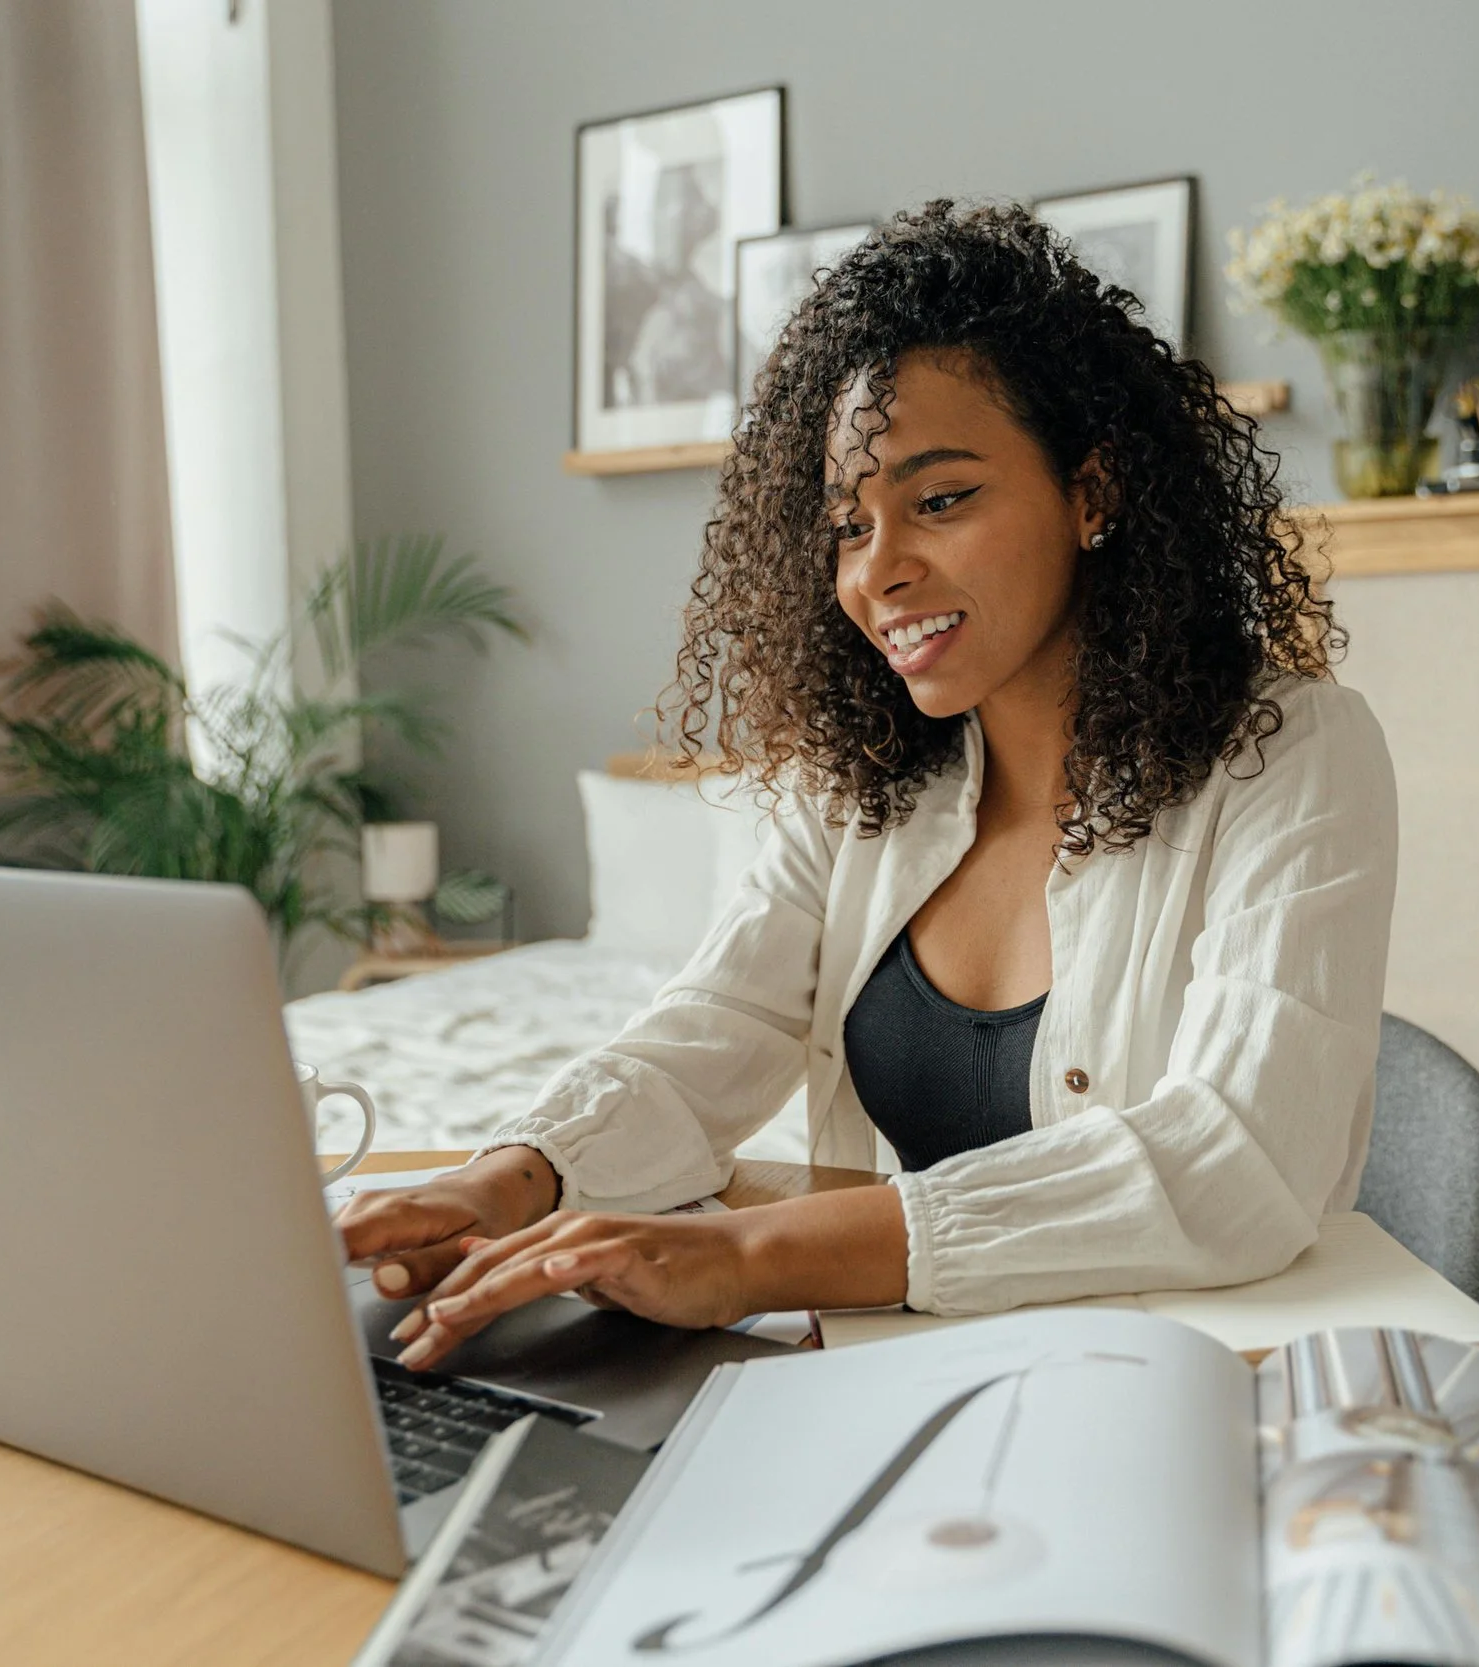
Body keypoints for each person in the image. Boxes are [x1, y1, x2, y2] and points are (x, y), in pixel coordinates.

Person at [343, 200, 1397, 1371]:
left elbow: (1237, 1157)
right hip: (893, 1376)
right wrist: (513, 1178)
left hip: (1176, 1391)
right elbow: (718, 1025)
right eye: (847, 525)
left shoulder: (1289, 752)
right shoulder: (860, 779)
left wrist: (753, 1256)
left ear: (1091, 495)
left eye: (939, 500)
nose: (880, 570)